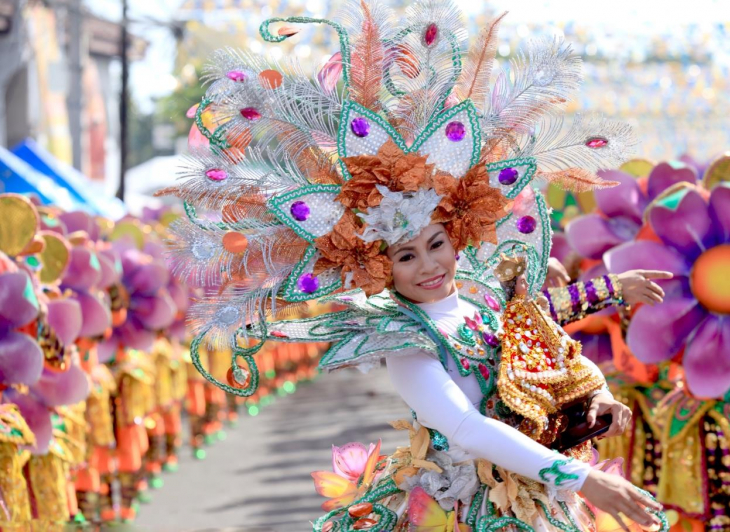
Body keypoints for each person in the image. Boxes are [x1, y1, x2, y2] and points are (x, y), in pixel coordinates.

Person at [163, 1, 671, 529]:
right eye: (405, 255)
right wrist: (582, 479)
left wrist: (604, 359)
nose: (429, 265)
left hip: (538, 498)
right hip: (464, 510)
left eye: (436, 244)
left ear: (456, 238)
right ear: (379, 266)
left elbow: (539, 327)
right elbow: (467, 428)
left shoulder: (480, 299)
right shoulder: (403, 338)